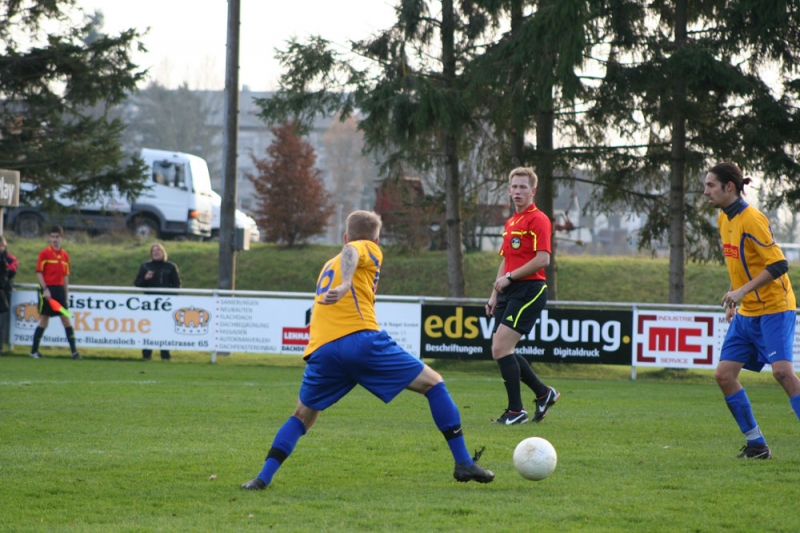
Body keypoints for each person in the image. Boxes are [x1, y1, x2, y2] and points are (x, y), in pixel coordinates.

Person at [241, 210, 494, 490]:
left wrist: (345, 280)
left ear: (344, 235)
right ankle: (464, 462)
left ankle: (262, 478)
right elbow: (353, 250)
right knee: (434, 384)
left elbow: (348, 252)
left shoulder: (328, 264)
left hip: (323, 351)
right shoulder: (368, 249)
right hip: (359, 340)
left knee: (302, 415)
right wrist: (346, 283)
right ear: (376, 239)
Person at [704, 162, 800, 459]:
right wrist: (735, 298)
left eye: (710, 185)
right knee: (724, 375)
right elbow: (739, 262)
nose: (706, 191)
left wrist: (743, 291)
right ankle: (757, 445)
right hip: (747, 312)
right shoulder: (723, 219)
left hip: (774, 308)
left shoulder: (753, 219)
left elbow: (779, 264)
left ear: (729, 187)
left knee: (782, 373)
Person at [486, 167, 560, 425]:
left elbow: (543, 260)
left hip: (529, 289)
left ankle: (516, 411)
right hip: (509, 290)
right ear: (509, 190)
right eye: (514, 187)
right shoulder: (511, 222)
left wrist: (510, 277)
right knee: (501, 349)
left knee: (501, 348)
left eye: (523, 187)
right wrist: (494, 294)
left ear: (533, 191)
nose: (518, 191)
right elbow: (506, 260)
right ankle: (543, 393)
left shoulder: (538, 219)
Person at [30, 225, 80, 360]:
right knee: (44, 320)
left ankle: (74, 352)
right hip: (48, 290)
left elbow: (65, 277)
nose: (55, 239)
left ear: (61, 237)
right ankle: (34, 351)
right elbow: (39, 272)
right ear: (49, 237)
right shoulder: (44, 253)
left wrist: (66, 294)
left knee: (65, 319)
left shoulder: (65, 256)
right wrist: (45, 288)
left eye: (57, 237)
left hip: (59, 290)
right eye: (52, 237)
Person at [134, 243, 181, 360]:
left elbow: (177, 285)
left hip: (165, 304)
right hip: (149, 304)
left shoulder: (170, 266)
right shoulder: (146, 266)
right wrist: (145, 278)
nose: (156, 252)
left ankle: (165, 354)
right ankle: (146, 354)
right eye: (153, 251)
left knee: (164, 328)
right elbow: (137, 283)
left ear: (163, 252)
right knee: (148, 328)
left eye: (158, 250)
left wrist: (170, 298)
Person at [0, 235, 19, 354]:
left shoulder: (10, 259)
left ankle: (0, 347)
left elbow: (12, 271)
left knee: (2, 321)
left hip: (4, 292)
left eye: (1, 245)